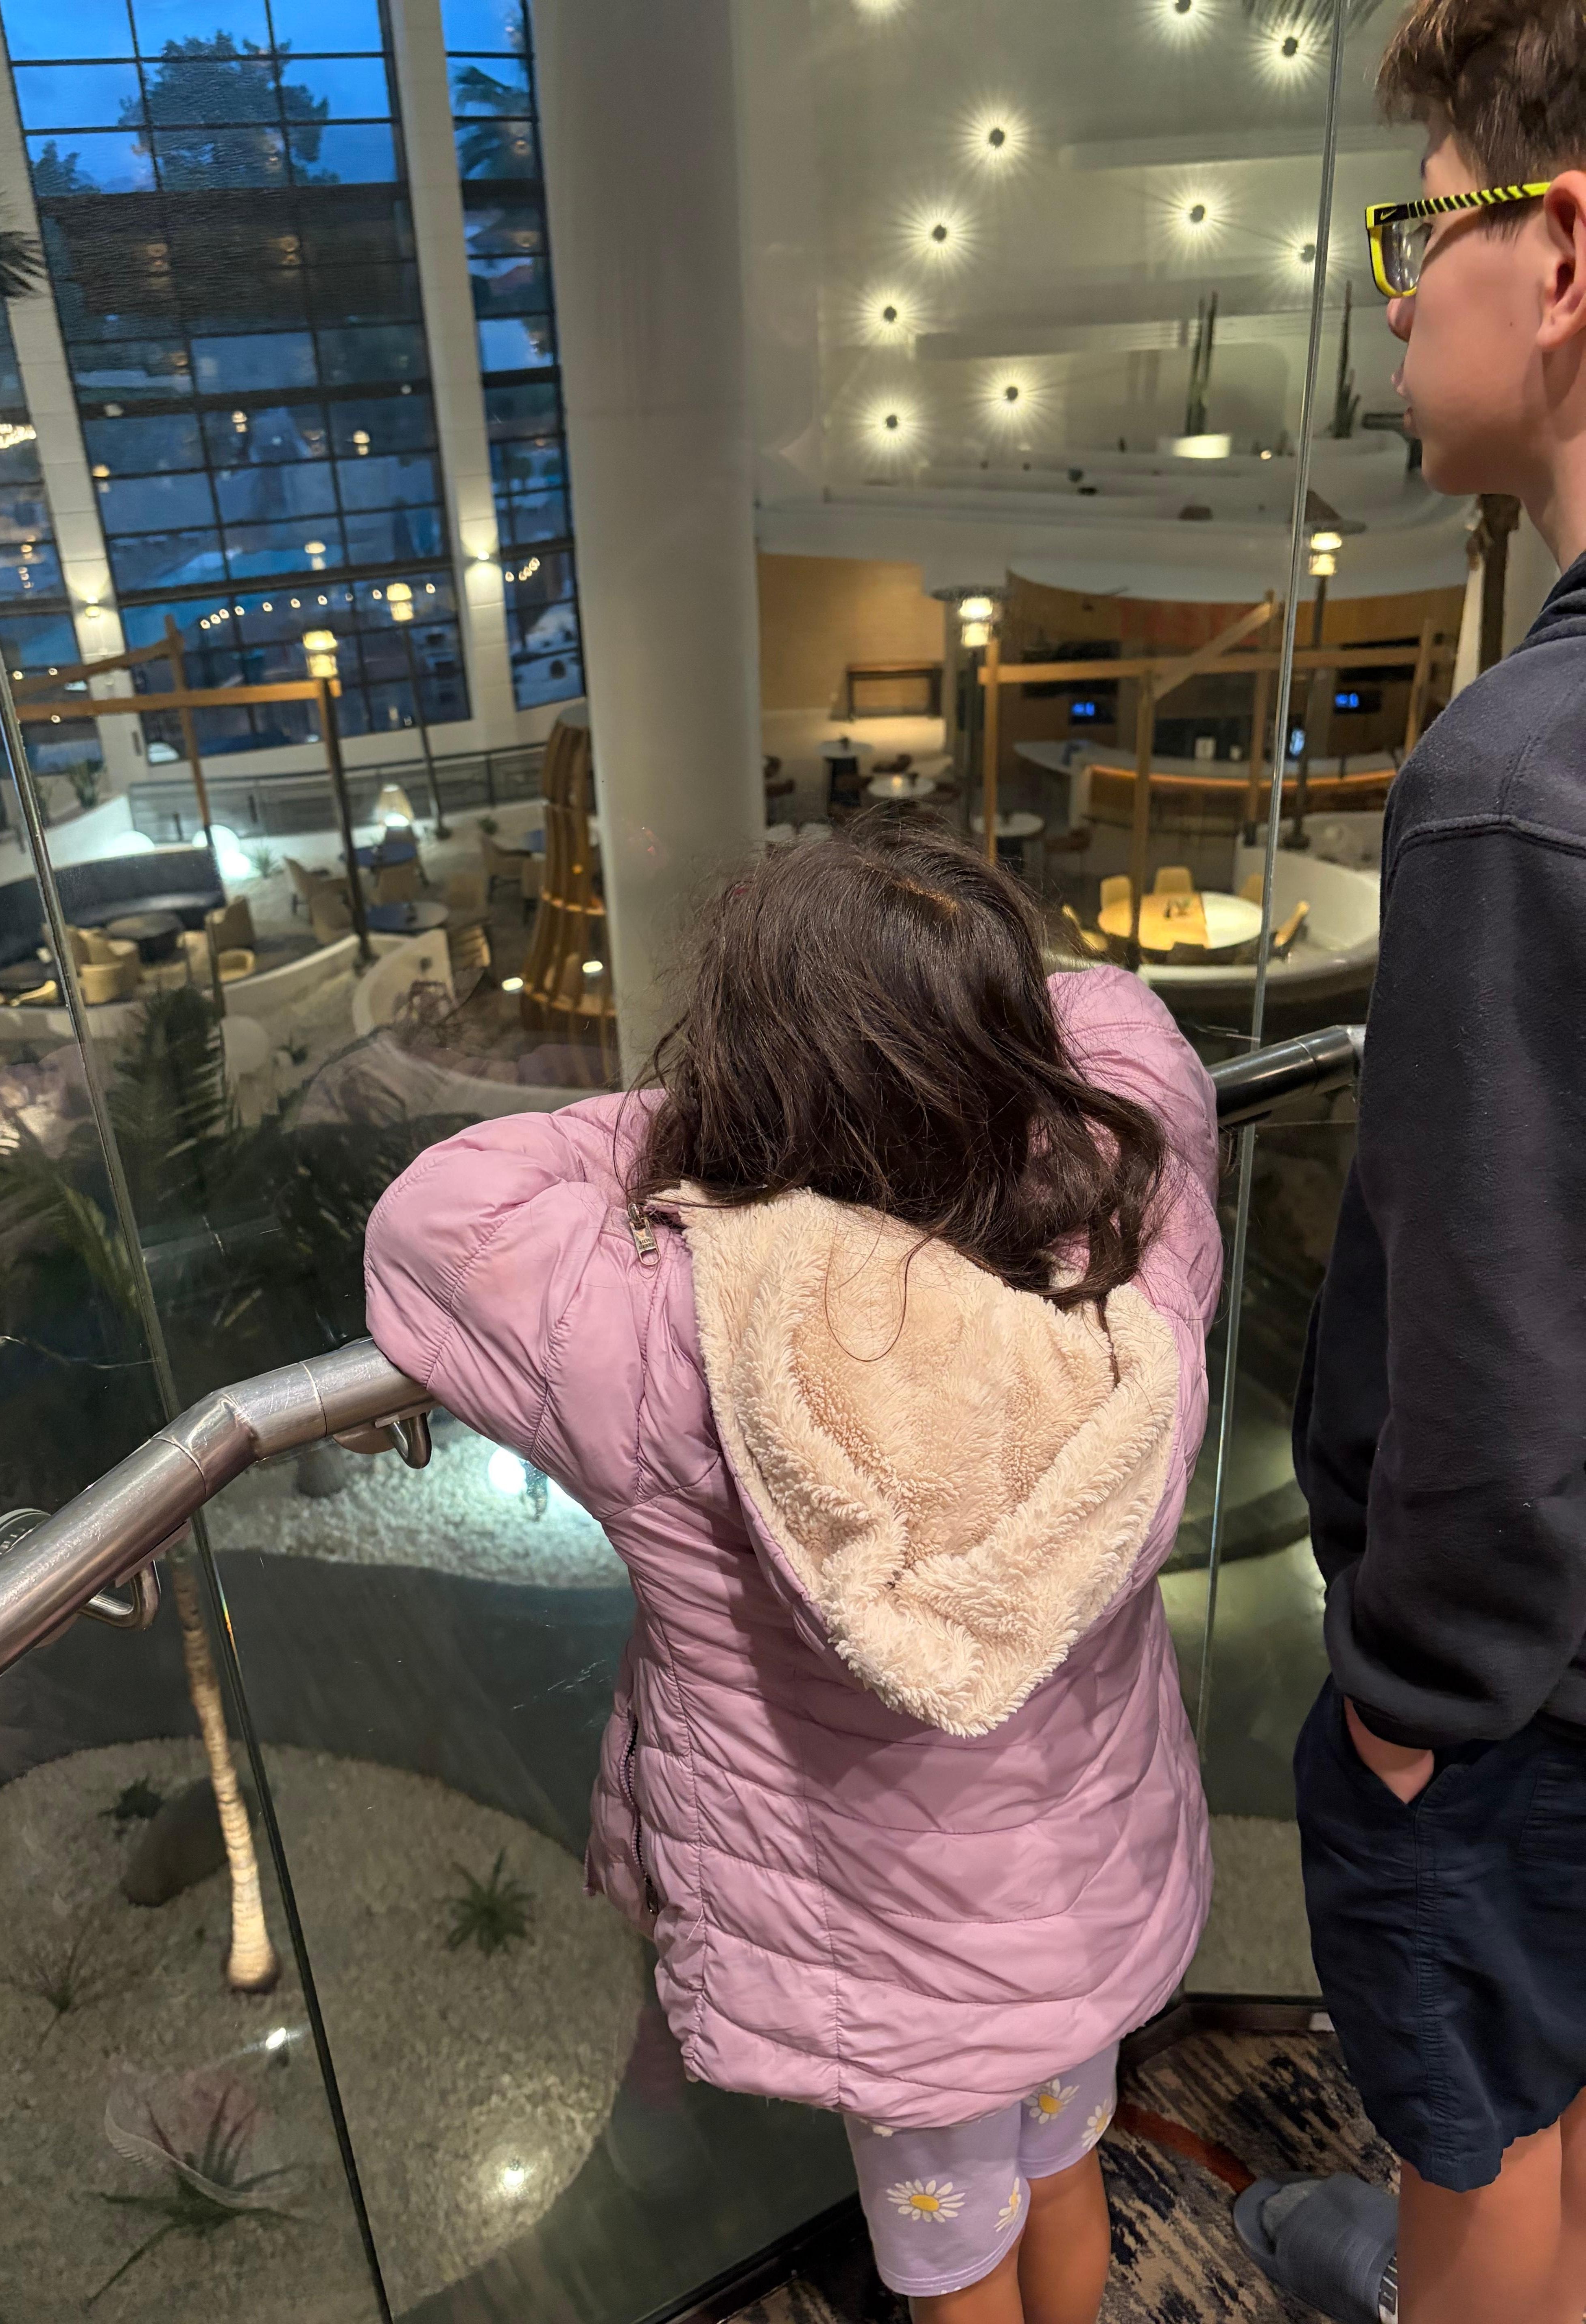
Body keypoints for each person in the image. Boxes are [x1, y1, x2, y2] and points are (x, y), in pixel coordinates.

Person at [365, 812, 1222, 2324]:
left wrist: (719, 1123)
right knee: (1063, 2174)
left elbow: (443, 1210)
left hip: (888, 1959)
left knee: (953, 2261)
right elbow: (1117, 1017)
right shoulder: (1129, 1232)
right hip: (1075, 1909)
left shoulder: (675, 1334)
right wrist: (956, 1032)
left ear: (761, 1076)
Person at [1236, 7, 1586, 2323]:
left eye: (1415, 227)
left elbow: (1490, 1349)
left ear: (1555, 255)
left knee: (1486, 2142)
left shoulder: (1510, 787)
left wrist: (1401, 1710)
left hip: (1512, 1705)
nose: (1387, 298)